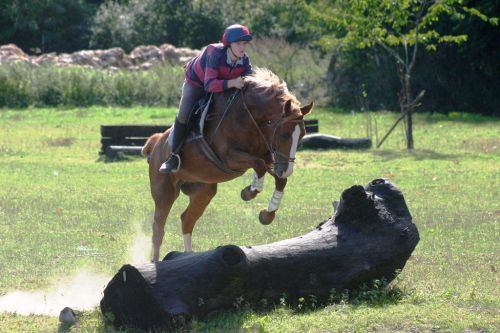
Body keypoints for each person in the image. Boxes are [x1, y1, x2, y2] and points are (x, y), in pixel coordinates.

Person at [159, 24, 253, 173]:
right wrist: (233, 83)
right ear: (228, 44)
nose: (242, 47)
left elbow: (249, 80)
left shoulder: (244, 60)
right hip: (196, 84)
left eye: (245, 43)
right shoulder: (215, 53)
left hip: (220, 85)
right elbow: (209, 85)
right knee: (184, 115)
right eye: (238, 43)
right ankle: (173, 157)